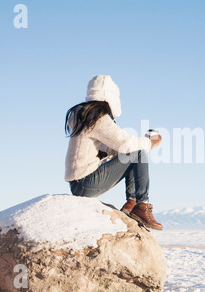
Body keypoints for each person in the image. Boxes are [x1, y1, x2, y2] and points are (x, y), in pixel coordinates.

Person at [64, 75, 163, 230]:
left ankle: (131, 204)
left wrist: (141, 144)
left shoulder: (85, 116)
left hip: (79, 183)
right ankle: (142, 204)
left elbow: (116, 150)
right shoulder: (96, 118)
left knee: (134, 153)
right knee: (138, 151)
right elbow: (126, 144)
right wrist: (150, 142)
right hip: (85, 183)